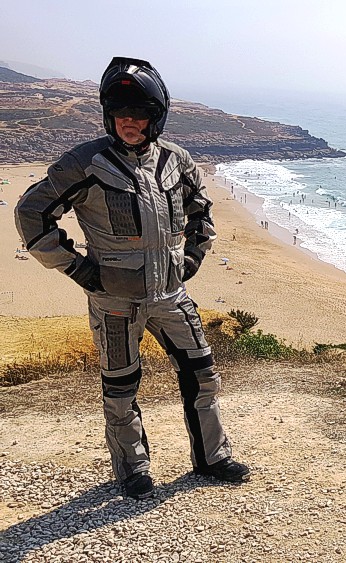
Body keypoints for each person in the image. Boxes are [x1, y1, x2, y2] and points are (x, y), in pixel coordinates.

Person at [14, 57, 250, 500]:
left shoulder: (176, 160)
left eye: (139, 114)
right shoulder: (85, 162)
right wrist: (79, 269)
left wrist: (192, 260)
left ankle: (213, 458)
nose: (129, 121)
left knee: (203, 376)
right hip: (116, 302)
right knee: (121, 388)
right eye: (122, 113)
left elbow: (202, 213)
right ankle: (132, 469)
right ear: (108, 114)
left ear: (155, 116)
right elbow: (31, 212)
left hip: (170, 295)